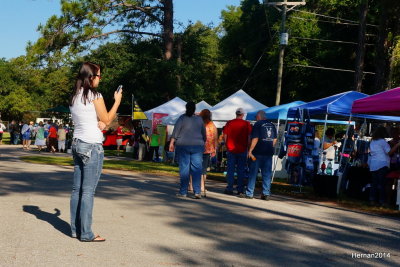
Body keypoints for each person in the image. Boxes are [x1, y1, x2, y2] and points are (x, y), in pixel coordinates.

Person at [69, 62, 122, 242]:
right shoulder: (95, 95)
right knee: (88, 191)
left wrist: (100, 123)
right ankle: (86, 233)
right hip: (92, 145)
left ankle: (76, 230)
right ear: (91, 77)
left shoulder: (75, 96)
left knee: (77, 189)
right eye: (99, 75)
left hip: (77, 142)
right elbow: (107, 118)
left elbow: (91, 119)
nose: (100, 79)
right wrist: (117, 102)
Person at [169, 101, 206, 199]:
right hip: (197, 145)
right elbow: (204, 133)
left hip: (183, 145)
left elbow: (175, 131)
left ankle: (183, 192)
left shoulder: (182, 118)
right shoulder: (199, 119)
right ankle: (197, 192)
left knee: (184, 169)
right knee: (197, 169)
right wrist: (203, 142)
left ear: (186, 108)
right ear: (194, 109)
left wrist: (171, 143)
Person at [243, 110, 277, 200]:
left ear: (258, 117)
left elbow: (255, 138)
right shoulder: (272, 125)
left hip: (257, 154)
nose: (255, 119)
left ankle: (249, 193)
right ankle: (266, 193)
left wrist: (250, 150)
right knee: (266, 174)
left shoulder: (257, 124)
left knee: (253, 173)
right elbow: (274, 139)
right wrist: (269, 147)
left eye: (255, 117)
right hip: (268, 153)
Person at [368, 126, 400, 207]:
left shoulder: (372, 142)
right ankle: (382, 201)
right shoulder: (383, 142)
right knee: (382, 184)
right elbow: (389, 153)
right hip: (382, 164)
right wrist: (397, 145)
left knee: (374, 184)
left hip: (373, 165)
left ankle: (372, 200)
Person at [223, 108, 252, 195]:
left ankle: (230, 188)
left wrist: (227, 145)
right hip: (242, 149)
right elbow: (249, 137)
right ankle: (240, 190)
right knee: (241, 170)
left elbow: (225, 135)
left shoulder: (229, 123)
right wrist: (248, 148)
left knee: (230, 170)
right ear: (243, 115)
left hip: (231, 149)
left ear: (236, 114)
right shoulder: (247, 124)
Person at [199, 109, 218, 195]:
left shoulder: (199, 124)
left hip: (197, 148)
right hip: (207, 149)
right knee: (204, 169)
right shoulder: (212, 125)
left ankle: (191, 185)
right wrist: (214, 149)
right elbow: (215, 138)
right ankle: (202, 186)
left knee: (195, 167)